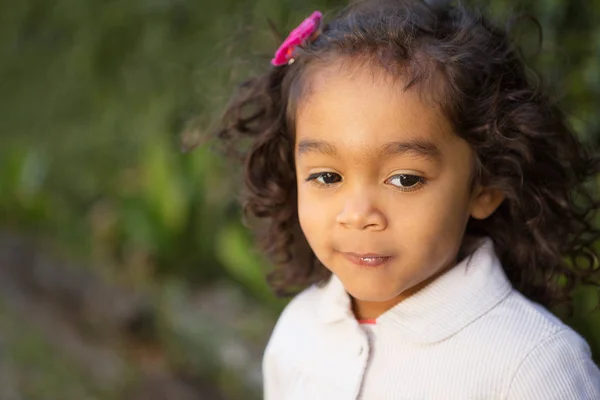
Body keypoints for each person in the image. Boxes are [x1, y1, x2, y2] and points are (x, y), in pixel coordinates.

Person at [215, 0, 600, 398]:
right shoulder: (298, 330)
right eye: (327, 176)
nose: (359, 215)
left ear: (485, 188)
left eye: (404, 179)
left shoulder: (534, 366)